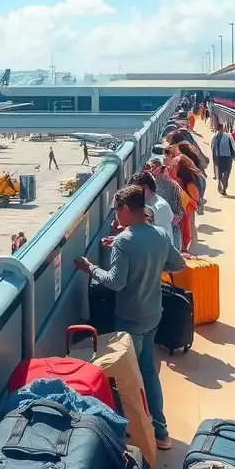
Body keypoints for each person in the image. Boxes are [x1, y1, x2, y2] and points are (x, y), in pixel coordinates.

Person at [74, 185, 178, 450]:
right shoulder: (161, 234)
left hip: (129, 318)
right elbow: (178, 264)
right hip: (153, 314)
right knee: (148, 372)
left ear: (127, 210)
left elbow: (116, 282)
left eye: (116, 210)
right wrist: (151, 265)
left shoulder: (124, 241)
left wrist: (90, 268)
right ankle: (161, 432)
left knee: (126, 378)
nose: (115, 216)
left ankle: (126, 433)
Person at [211, 124, 235, 195]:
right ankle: (223, 187)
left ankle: (223, 187)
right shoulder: (224, 137)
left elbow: (212, 148)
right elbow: (213, 148)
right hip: (224, 157)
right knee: (224, 173)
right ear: (220, 129)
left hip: (223, 157)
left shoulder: (218, 137)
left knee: (224, 173)